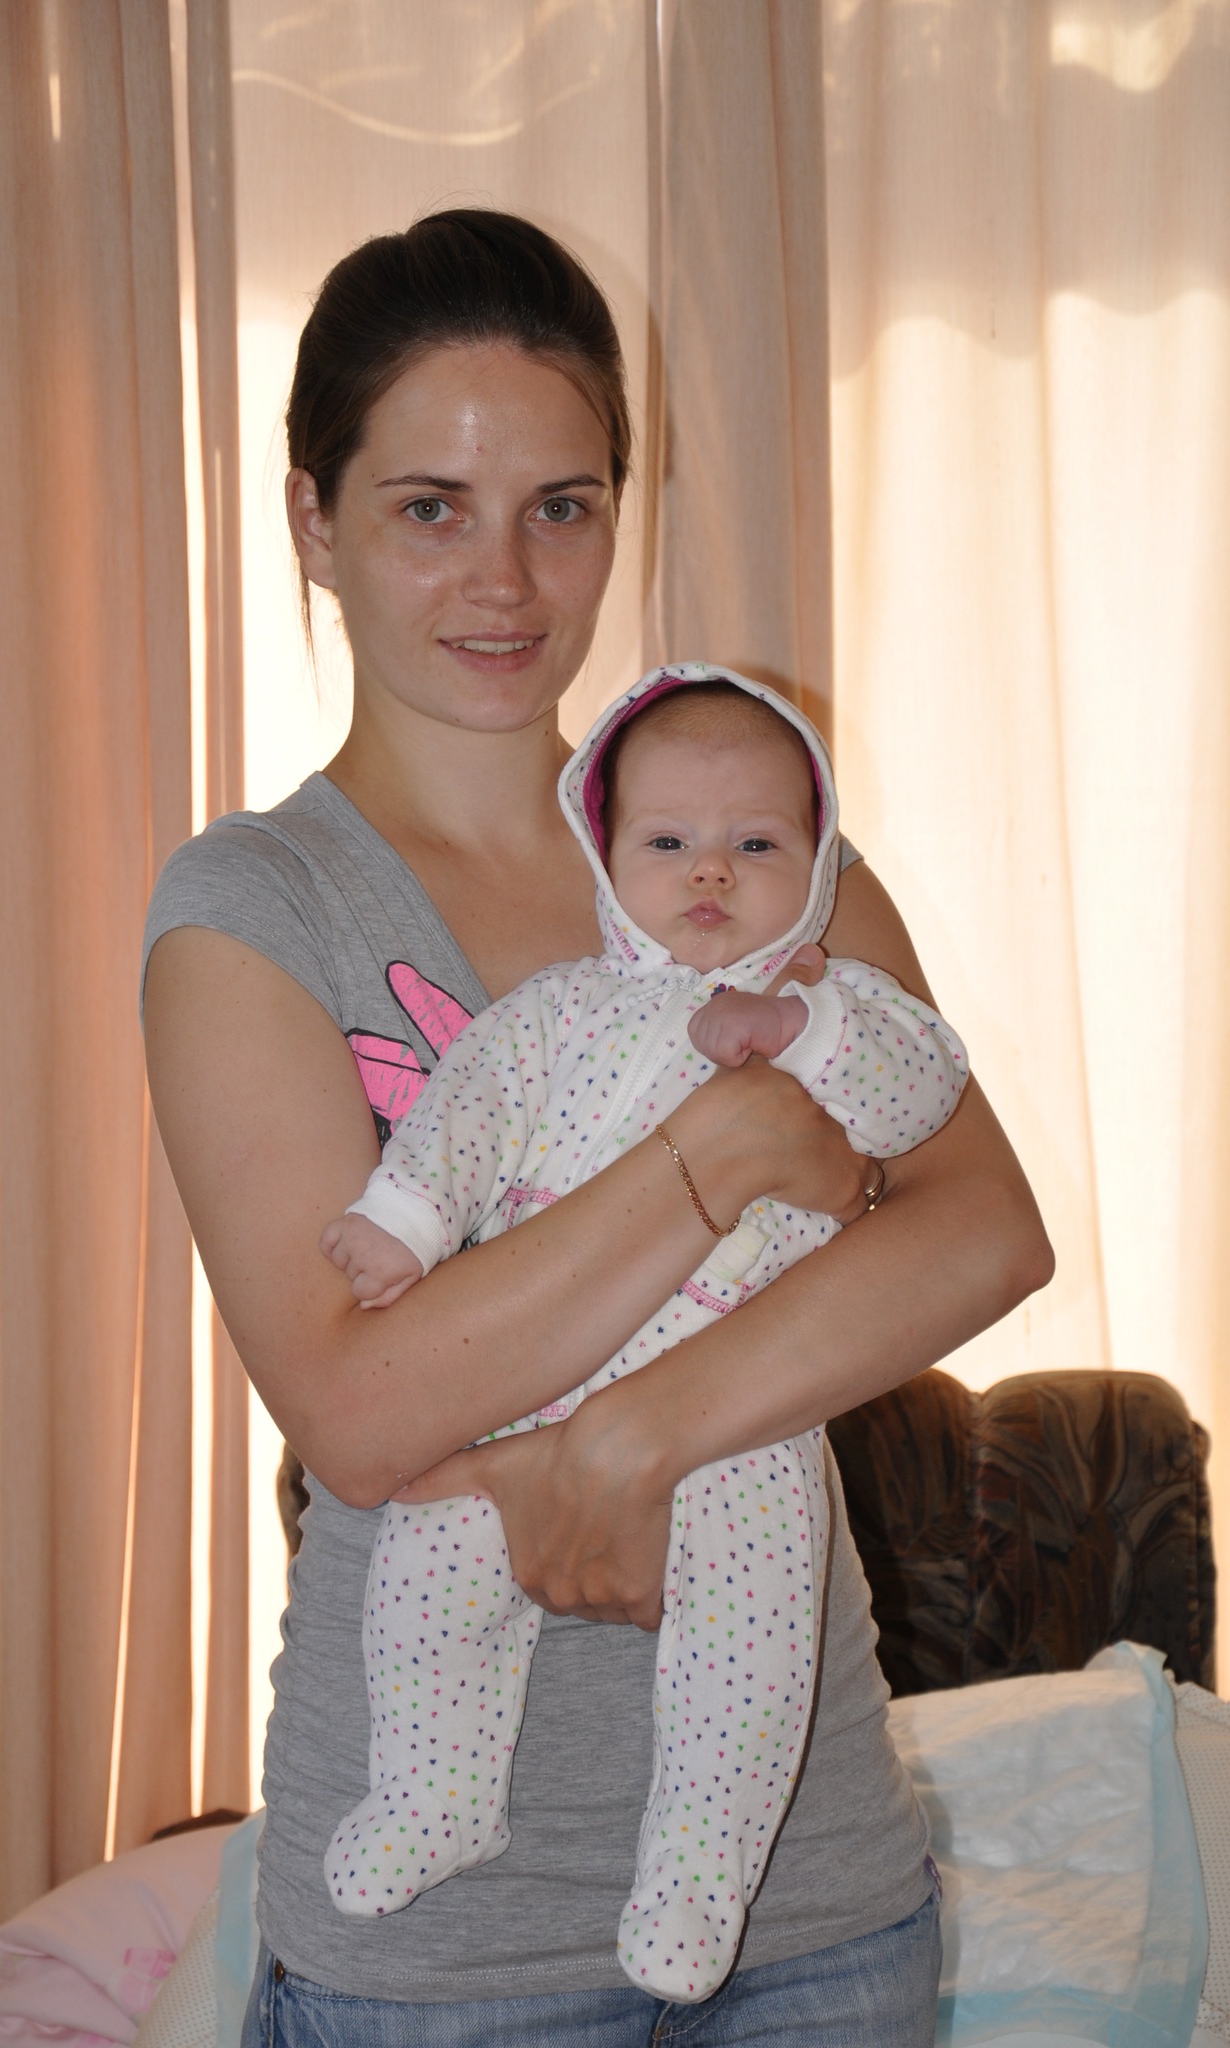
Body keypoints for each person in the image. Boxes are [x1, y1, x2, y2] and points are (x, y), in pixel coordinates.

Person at [141, 209, 1052, 2046]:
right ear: (312, 519)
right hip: (443, 1960)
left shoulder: (756, 853)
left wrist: (627, 1442)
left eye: (560, 505)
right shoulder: (256, 908)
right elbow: (360, 1408)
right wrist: (718, 1156)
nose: (504, 580)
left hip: (818, 1898)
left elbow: (983, 1230)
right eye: (429, 508)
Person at [320, 669, 968, 2005]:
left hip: (745, 1397)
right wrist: (405, 1217)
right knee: (429, 1573)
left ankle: (698, 1875)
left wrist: (803, 1027)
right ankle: (436, 1795)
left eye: (757, 844)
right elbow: (467, 1111)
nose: (711, 873)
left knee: (750, 1651)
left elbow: (926, 1088)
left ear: (819, 864)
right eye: (669, 841)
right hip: (536, 1378)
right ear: (607, 857)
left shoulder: (840, 1008)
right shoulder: (558, 1011)